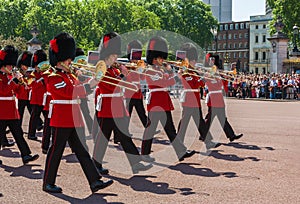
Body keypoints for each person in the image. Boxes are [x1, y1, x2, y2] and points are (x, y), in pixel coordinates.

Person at [43, 32, 113, 193]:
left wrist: (91, 80)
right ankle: (47, 182)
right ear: (60, 59)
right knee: (56, 152)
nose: (71, 61)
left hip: (73, 118)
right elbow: (70, 92)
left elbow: (81, 91)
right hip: (61, 118)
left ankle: (95, 181)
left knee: (82, 151)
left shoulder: (69, 75)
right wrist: (92, 83)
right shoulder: (52, 77)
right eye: (68, 59)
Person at [92, 32, 153, 175]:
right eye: (113, 56)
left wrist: (126, 73)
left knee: (124, 137)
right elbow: (110, 86)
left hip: (117, 105)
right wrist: (123, 74)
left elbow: (123, 85)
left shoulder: (114, 68)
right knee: (103, 138)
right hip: (108, 106)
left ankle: (135, 164)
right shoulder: (102, 68)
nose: (116, 58)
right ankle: (96, 163)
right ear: (107, 55)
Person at [141, 36, 195, 161]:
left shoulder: (160, 70)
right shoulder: (150, 70)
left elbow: (167, 80)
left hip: (163, 101)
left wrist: (172, 72)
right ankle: (144, 154)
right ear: (154, 58)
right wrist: (177, 75)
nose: (163, 60)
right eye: (160, 57)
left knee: (170, 129)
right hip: (156, 102)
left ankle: (180, 152)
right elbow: (164, 83)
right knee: (150, 129)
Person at [0, 45, 39, 164]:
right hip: (1, 111)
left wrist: (23, 85)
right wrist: (14, 81)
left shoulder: (9, 76)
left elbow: (16, 91)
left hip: (11, 111)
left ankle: (26, 155)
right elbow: (4, 90)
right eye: (9, 65)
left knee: (18, 134)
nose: (11, 67)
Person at [202, 56, 243, 147]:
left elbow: (223, 88)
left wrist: (225, 78)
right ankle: (203, 134)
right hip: (213, 99)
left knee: (222, 119)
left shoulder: (218, 75)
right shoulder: (208, 73)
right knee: (209, 119)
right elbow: (209, 83)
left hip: (219, 99)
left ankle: (231, 135)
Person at [176, 43, 207, 145]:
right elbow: (193, 84)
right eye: (193, 60)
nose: (195, 62)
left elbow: (200, 84)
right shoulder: (184, 72)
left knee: (199, 121)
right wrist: (202, 79)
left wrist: (204, 78)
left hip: (195, 98)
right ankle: (179, 139)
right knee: (185, 121)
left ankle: (207, 138)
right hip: (189, 98)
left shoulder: (193, 72)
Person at [27, 49, 48, 140]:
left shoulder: (46, 74)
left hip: (45, 99)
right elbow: (31, 84)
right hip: (36, 99)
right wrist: (40, 81)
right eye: (36, 66)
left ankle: (48, 134)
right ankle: (31, 134)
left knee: (48, 118)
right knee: (34, 117)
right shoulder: (32, 75)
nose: (38, 68)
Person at [74, 48, 94, 135]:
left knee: (86, 114)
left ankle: (92, 131)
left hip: (82, 95)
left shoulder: (83, 68)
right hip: (74, 95)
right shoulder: (71, 68)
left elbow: (86, 80)